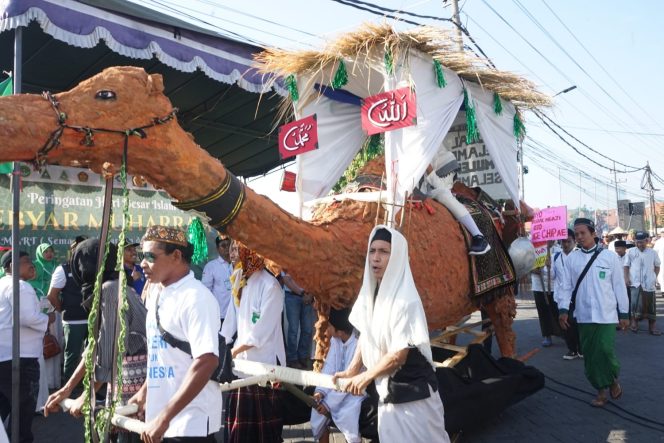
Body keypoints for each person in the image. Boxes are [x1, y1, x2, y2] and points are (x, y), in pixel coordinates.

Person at [335, 226, 450, 442]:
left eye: (384, 252)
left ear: (396, 257)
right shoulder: (371, 293)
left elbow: (398, 356)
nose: (375, 258)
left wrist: (365, 376)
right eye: (372, 251)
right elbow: (366, 334)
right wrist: (352, 369)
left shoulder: (406, 301)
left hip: (414, 397)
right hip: (388, 391)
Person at [44, 239, 148, 443]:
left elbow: (108, 352)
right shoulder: (111, 287)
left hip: (135, 385)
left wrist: (85, 397)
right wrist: (66, 389)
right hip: (124, 381)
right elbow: (95, 347)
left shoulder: (110, 290)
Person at [129, 226, 221, 443]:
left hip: (190, 423)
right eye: (142, 256)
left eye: (151, 256)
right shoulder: (158, 293)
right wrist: (145, 392)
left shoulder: (196, 298)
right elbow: (163, 355)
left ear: (177, 256)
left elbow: (207, 361)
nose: (142, 263)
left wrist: (165, 416)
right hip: (163, 420)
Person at [557, 218, 629, 407]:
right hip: (584, 316)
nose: (579, 237)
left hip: (607, 315)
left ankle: (612, 380)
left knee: (605, 351)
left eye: (583, 233)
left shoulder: (609, 257)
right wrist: (563, 310)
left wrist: (624, 314)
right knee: (590, 356)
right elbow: (565, 287)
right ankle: (601, 392)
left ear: (593, 233)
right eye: (577, 234)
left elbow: (619, 287)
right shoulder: (572, 258)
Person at [221, 241, 285, 443]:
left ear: (250, 253)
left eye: (236, 249)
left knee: (265, 432)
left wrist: (233, 351)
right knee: (240, 432)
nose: (232, 253)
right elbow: (231, 319)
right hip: (241, 366)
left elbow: (261, 332)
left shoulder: (271, 286)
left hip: (265, 365)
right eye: (231, 248)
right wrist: (221, 346)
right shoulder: (240, 280)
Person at [0, 250, 53, 443]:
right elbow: (28, 317)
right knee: (22, 411)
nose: (32, 265)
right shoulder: (20, 286)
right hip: (20, 359)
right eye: (27, 261)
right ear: (12, 267)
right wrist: (47, 319)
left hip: (5, 357)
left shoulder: (3, 285)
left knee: (6, 407)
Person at [419, 149, 490, 255]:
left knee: (442, 194)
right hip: (413, 190)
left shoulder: (442, 156)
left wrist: (429, 169)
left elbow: (442, 186)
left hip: (435, 190)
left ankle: (478, 236)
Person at [310, 307, 364, 443]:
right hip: (334, 387)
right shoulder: (336, 340)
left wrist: (328, 404)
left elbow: (350, 379)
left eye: (330, 325)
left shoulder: (358, 344)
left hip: (355, 392)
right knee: (317, 409)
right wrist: (321, 392)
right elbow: (329, 366)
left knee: (348, 414)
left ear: (339, 332)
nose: (326, 328)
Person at [47, 236, 88, 385]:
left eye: (84, 247)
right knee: (72, 355)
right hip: (73, 320)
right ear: (72, 250)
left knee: (94, 354)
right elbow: (52, 295)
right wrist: (62, 309)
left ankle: (89, 387)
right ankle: (69, 389)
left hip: (94, 318)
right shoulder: (63, 269)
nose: (82, 251)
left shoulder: (95, 266)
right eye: (78, 248)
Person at [553, 229, 582, 360]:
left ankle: (581, 348)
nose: (565, 244)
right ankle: (572, 349)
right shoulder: (556, 257)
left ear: (574, 241)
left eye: (568, 241)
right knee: (566, 323)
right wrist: (546, 267)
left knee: (578, 323)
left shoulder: (580, 256)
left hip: (577, 296)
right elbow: (552, 276)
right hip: (561, 296)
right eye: (563, 242)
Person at [624, 231, 661, 335]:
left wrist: (654, 277)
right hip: (635, 282)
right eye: (638, 242)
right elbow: (626, 266)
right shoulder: (630, 252)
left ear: (647, 241)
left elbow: (657, 266)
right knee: (635, 304)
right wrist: (626, 278)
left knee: (650, 305)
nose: (640, 244)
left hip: (649, 283)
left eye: (642, 242)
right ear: (635, 241)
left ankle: (652, 327)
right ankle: (634, 324)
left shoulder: (652, 253)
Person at [530, 240, 561, 348]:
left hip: (554, 286)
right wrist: (533, 269)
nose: (550, 241)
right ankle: (547, 335)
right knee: (543, 311)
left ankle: (561, 332)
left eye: (552, 238)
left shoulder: (558, 251)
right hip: (539, 286)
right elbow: (526, 265)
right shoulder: (534, 250)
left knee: (556, 310)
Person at [282, 270, 314, 369]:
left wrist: (311, 294)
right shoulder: (288, 258)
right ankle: (292, 359)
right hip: (292, 296)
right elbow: (286, 279)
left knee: (307, 329)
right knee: (293, 330)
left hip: (308, 296)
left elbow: (315, 275)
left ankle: (303, 357)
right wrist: (302, 293)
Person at [201, 236, 233, 327]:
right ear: (217, 249)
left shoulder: (237, 263)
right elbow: (206, 291)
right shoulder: (211, 267)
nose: (227, 248)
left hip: (238, 313)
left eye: (228, 245)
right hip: (221, 315)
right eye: (223, 246)